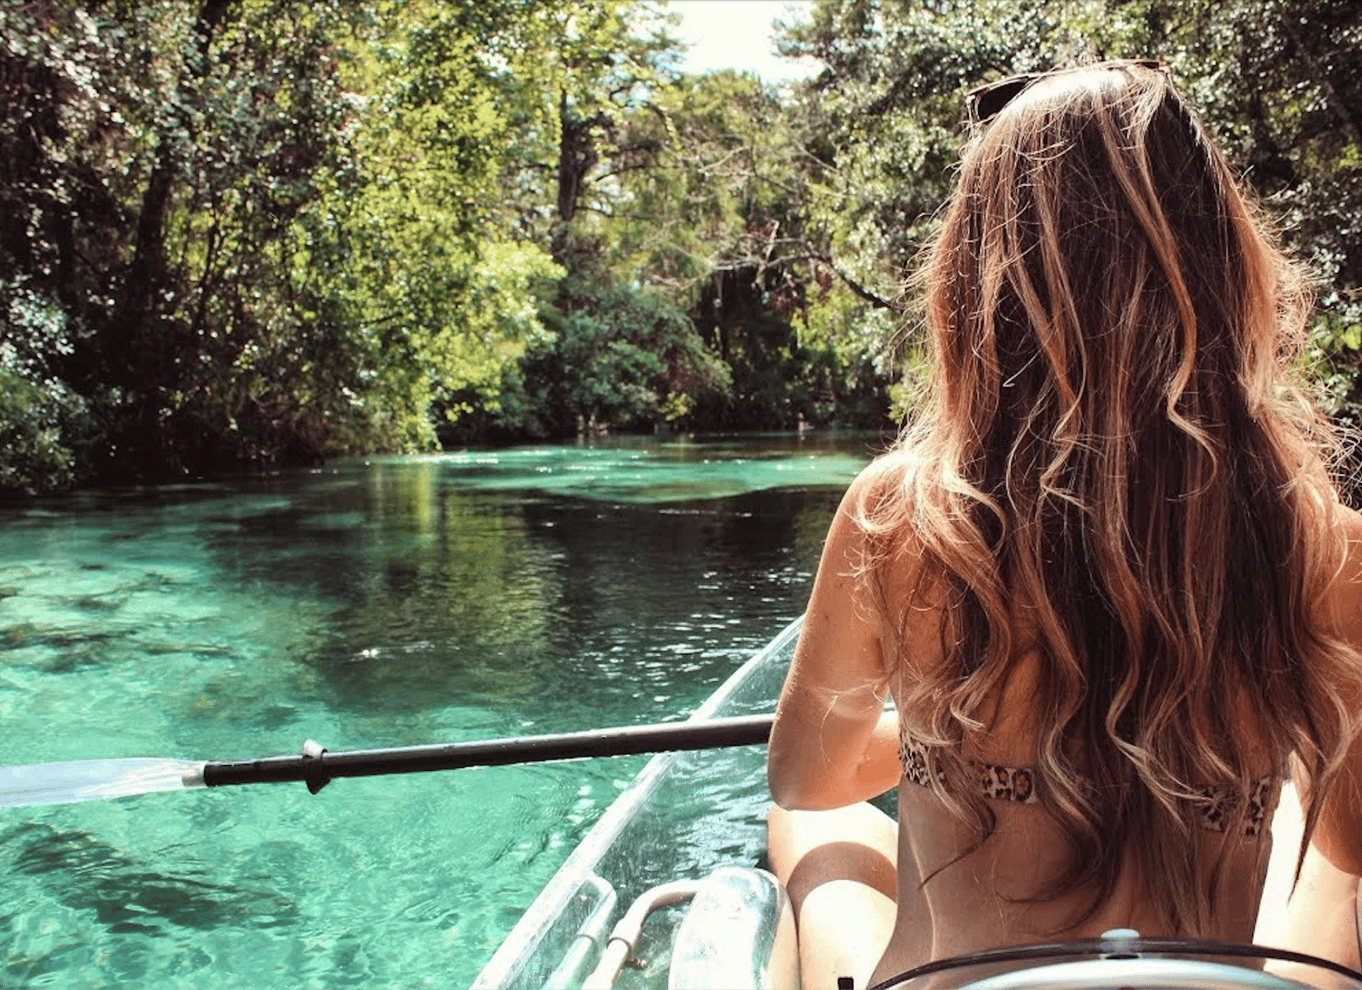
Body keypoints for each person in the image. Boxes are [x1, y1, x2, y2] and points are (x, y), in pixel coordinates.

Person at [765, 60, 1362, 989]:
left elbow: (805, 777)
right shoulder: (1328, 546)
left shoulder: (901, 515)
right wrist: (1225, 736)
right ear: (1221, 266)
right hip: (1213, 982)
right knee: (1314, 835)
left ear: (979, 280)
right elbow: (1354, 840)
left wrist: (964, 734)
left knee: (809, 827)